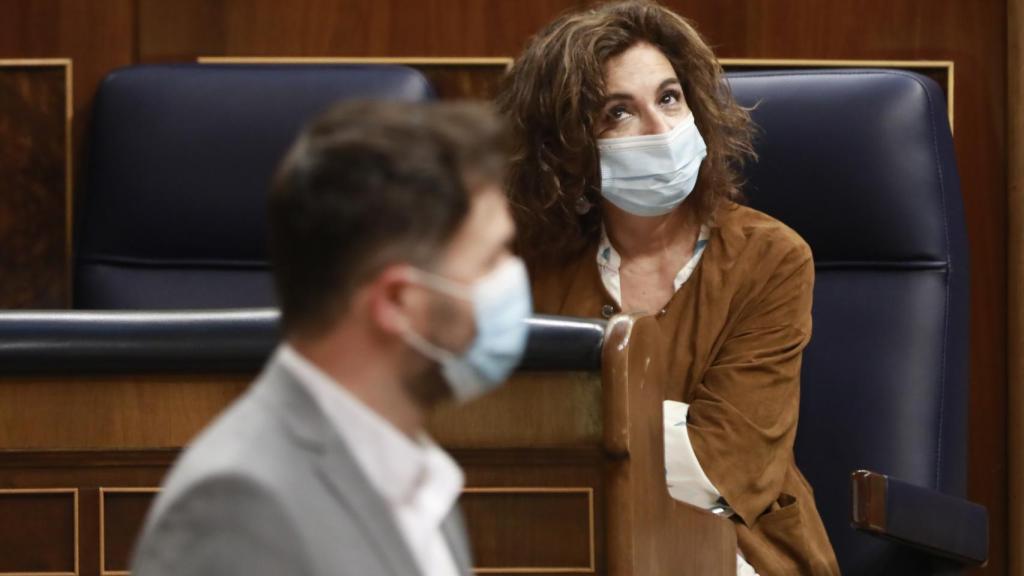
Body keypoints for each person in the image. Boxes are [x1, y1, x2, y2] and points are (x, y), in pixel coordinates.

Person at [497, 1, 839, 574]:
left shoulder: (771, 257)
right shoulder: (532, 265)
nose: (660, 130)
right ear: (568, 146)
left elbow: (721, 472)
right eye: (618, 112)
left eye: (669, 98)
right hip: (565, 542)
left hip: (732, 548)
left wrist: (575, 427)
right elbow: (500, 446)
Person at [131, 100, 532, 576]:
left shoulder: (417, 472)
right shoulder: (240, 506)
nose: (511, 279)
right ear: (398, 303)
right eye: (490, 260)